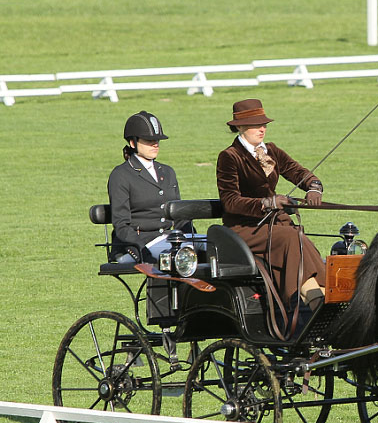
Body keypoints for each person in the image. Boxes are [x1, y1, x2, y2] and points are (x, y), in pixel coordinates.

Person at [216, 98, 325, 313]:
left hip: (275, 223)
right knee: (291, 238)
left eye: (264, 124)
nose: (262, 129)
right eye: (256, 125)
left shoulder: (271, 151)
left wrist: (314, 186)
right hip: (245, 228)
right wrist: (267, 203)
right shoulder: (229, 157)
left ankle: (321, 292)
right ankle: (312, 298)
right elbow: (230, 201)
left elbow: (298, 172)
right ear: (239, 127)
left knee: (301, 238)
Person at [107, 111, 191, 263]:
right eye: (149, 140)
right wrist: (141, 250)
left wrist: (191, 239)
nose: (155, 144)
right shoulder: (121, 175)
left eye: (157, 140)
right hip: (135, 245)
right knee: (175, 258)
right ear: (133, 143)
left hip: (168, 241)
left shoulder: (168, 171)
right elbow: (121, 225)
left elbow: (179, 215)